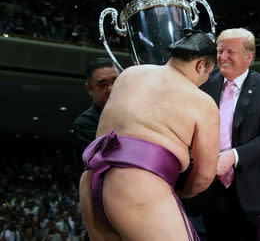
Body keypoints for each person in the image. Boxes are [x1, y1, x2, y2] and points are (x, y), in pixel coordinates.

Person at [78, 30, 220, 241]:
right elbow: (204, 177)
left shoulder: (129, 74)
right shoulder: (202, 101)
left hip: (90, 182)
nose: (205, 81)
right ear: (200, 66)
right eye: (207, 74)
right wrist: (181, 193)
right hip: (138, 186)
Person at [195, 28, 260, 241]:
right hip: (213, 192)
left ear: (249, 56)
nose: (222, 57)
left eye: (230, 52)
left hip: (258, 194)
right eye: (219, 51)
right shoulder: (203, 85)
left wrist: (233, 156)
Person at [72, 58, 121, 172]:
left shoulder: (136, 110)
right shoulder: (84, 123)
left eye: (116, 81)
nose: (111, 88)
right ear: (89, 88)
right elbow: (106, 163)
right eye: (103, 85)